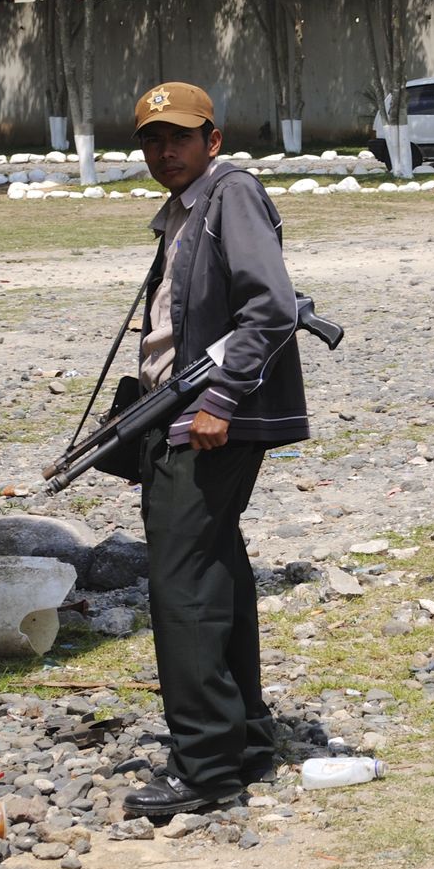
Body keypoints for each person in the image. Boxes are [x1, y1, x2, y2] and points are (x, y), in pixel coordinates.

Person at [121, 82, 309, 817]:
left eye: (180, 137)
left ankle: (204, 767)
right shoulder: (185, 207)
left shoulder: (230, 194)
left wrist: (219, 401)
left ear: (213, 140)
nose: (165, 151)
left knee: (182, 584)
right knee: (215, 571)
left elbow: (273, 308)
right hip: (179, 416)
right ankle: (244, 741)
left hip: (209, 422)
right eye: (152, 139)